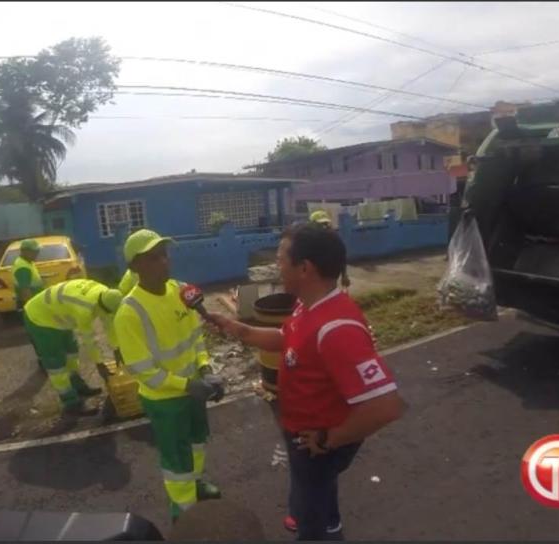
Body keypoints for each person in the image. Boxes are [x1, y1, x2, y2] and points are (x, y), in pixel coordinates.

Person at [207, 223, 406, 541]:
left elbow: (386, 406)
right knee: (314, 491)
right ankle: (328, 521)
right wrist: (238, 329)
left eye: (280, 259)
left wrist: (329, 439)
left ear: (304, 268)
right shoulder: (307, 305)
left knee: (310, 510)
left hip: (317, 442)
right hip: (303, 433)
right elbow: (286, 339)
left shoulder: (337, 328)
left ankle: (316, 526)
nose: (276, 267)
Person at [113, 228, 226, 521]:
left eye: (164, 254)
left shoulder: (181, 292)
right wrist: (187, 385)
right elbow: (144, 372)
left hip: (194, 389)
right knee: (176, 459)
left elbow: (195, 338)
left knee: (198, 441)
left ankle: (197, 483)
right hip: (165, 400)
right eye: (153, 258)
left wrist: (205, 368)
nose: (163, 261)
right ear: (134, 267)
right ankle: (184, 511)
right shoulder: (129, 312)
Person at [23, 278, 124, 416]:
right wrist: (100, 364)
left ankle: (77, 385)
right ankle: (71, 404)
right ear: (100, 306)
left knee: (72, 353)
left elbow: (109, 324)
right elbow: (89, 340)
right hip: (40, 318)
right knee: (56, 364)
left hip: (58, 314)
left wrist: (117, 348)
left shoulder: (106, 293)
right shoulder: (83, 309)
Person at [309, 210, 351, 291]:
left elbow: (341, 255)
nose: (324, 227)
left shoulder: (333, 238)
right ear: (312, 224)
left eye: (325, 224)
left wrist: (344, 275)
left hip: (329, 277)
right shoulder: (307, 239)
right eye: (320, 224)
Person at [12, 239, 46, 311]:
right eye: (35, 251)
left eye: (37, 251)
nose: (37, 253)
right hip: (30, 305)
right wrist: (34, 308)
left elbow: (30, 279)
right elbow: (25, 292)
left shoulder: (28, 262)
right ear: (25, 251)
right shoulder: (22, 267)